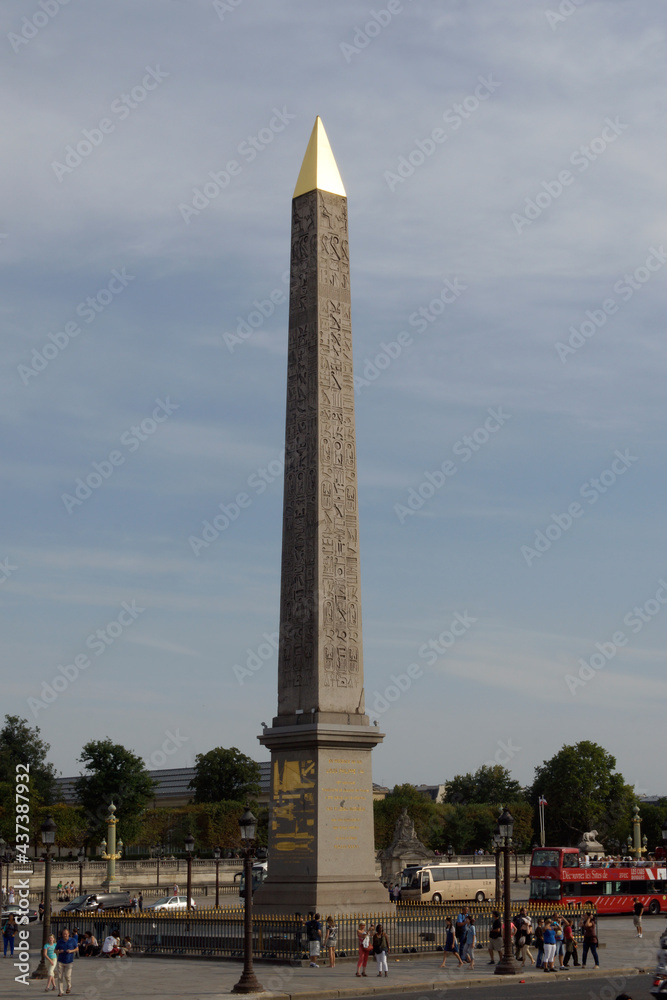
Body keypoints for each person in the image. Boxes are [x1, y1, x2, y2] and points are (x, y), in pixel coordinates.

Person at [55, 928, 77, 995]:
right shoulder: (59, 942)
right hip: (60, 960)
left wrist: (71, 951)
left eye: (66, 934)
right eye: (64, 934)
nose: (65, 935)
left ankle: (69, 986)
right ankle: (60, 991)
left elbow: (77, 948)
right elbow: (55, 950)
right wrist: (59, 951)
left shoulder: (72, 940)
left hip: (69, 961)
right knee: (59, 976)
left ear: (68, 934)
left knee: (67, 976)